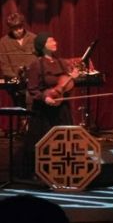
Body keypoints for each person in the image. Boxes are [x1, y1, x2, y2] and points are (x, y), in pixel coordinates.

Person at [22, 32, 79, 176]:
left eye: (54, 40)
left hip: (61, 108)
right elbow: (32, 89)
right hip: (44, 110)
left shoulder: (61, 63)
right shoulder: (36, 65)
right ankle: (41, 172)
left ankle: (63, 170)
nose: (55, 43)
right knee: (43, 141)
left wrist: (73, 77)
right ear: (42, 46)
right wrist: (44, 97)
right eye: (51, 41)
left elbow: (67, 85)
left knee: (64, 140)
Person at [0, 12, 37, 107]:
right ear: (10, 28)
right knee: (21, 104)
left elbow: (39, 59)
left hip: (34, 80)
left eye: (20, 27)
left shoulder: (33, 38)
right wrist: (16, 78)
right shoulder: (3, 42)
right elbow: (4, 65)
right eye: (15, 29)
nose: (19, 31)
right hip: (15, 82)